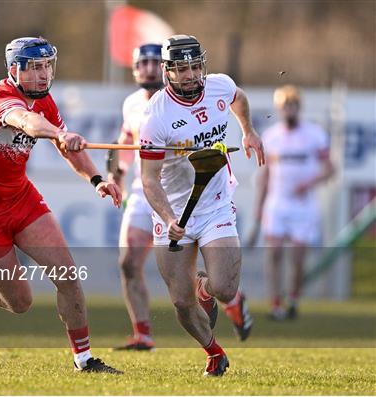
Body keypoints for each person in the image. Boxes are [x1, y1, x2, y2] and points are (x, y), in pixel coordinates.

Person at [0, 37, 122, 374]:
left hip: (19, 198)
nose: (44, 75)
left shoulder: (46, 101)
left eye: (48, 66)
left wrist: (98, 179)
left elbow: (69, 149)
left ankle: (84, 361)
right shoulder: (3, 99)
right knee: (21, 303)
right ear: (15, 70)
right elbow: (27, 123)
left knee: (67, 275)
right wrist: (57, 133)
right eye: (36, 67)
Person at [139, 35, 264, 376]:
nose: (192, 75)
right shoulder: (156, 117)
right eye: (183, 69)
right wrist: (166, 216)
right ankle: (213, 351)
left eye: (196, 66)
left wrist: (248, 131)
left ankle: (205, 287)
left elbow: (239, 98)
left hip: (215, 205)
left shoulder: (220, 86)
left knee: (225, 288)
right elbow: (149, 180)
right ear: (168, 72)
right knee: (181, 302)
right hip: (173, 210)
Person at [252, 85, 334, 320]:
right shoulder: (271, 136)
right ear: (279, 109)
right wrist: (260, 206)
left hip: (303, 206)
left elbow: (330, 169)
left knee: (298, 258)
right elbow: (266, 175)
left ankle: (293, 299)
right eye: (284, 106)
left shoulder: (314, 135)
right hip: (278, 203)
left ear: (299, 107)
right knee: (274, 252)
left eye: (292, 106)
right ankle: (275, 303)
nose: (289, 110)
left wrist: (308, 183)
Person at [108, 43, 163, 350]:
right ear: (134, 68)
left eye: (156, 62)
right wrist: (116, 175)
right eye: (144, 62)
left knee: (187, 275)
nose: (150, 68)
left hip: (178, 195)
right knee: (129, 263)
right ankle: (143, 334)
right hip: (143, 192)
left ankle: (231, 302)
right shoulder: (131, 103)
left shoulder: (175, 100)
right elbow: (126, 142)